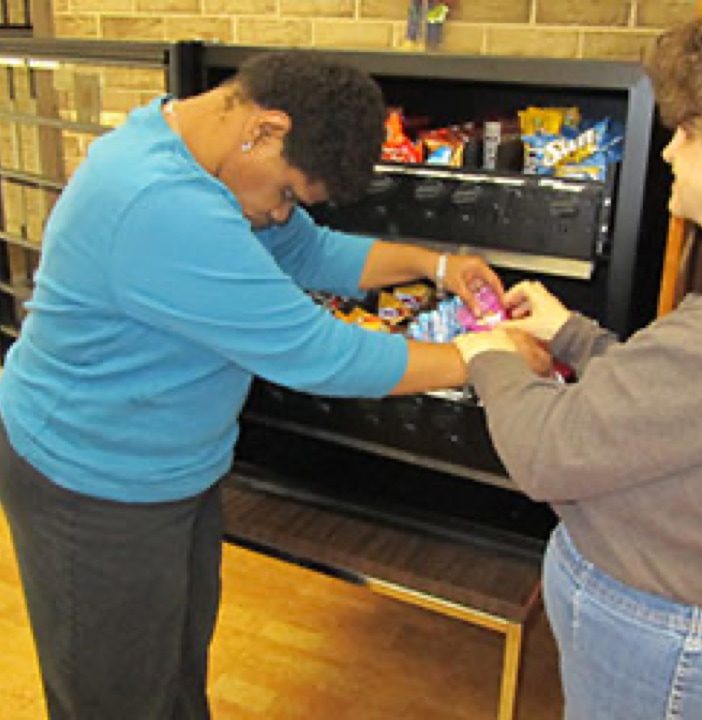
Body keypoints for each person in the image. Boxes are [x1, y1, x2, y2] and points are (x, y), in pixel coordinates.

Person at [0, 50, 504, 719]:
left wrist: (439, 265)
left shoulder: (201, 156)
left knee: (174, 674)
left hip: (174, 469)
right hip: (92, 482)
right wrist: (480, 355)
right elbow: (315, 353)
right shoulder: (158, 202)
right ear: (265, 130)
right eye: (289, 193)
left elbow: (309, 251)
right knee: (115, 700)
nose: (280, 213)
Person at [453, 3, 702, 719]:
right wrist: (573, 334)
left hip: (672, 656)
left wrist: (486, 353)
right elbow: (677, 405)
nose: (668, 150)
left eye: (690, 131)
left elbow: (548, 452)